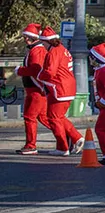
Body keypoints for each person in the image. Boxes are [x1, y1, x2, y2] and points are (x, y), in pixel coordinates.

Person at [37, 27, 84, 157]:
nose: (43, 45)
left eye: (43, 42)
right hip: (67, 87)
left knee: (53, 117)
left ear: (48, 42)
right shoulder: (63, 50)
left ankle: (63, 147)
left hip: (59, 88)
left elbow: (50, 72)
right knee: (59, 117)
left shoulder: (53, 52)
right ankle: (76, 138)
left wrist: (40, 75)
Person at [13, 23, 52, 155]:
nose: (25, 39)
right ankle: (69, 137)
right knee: (44, 118)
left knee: (30, 117)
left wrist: (20, 71)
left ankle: (31, 145)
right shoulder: (34, 49)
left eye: (28, 36)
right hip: (34, 89)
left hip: (36, 89)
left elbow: (35, 69)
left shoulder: (37, 50)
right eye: (25, 36)